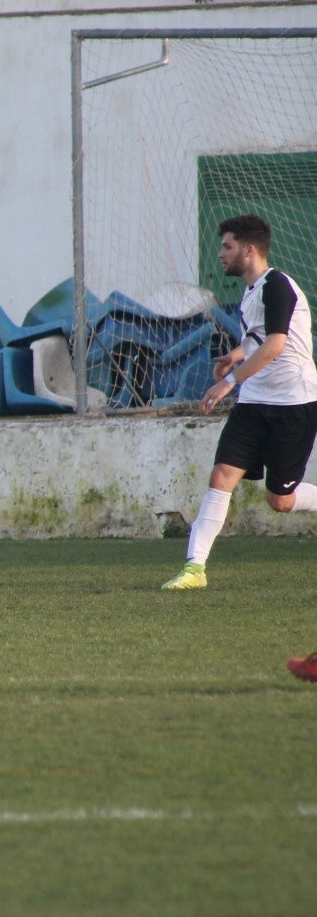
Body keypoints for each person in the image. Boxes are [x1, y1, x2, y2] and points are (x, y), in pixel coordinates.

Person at [160, 216, 317, 678]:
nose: (222, 254)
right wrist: (233, 354)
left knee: (281, 500)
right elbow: (254, 339)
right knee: (222, 476)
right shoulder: (251, 294)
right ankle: (194, 568)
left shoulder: (278, 285)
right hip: (255, 404)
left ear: (249, 249)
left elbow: (274, 345)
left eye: (227, 247)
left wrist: (229, 380)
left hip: (293, 405)